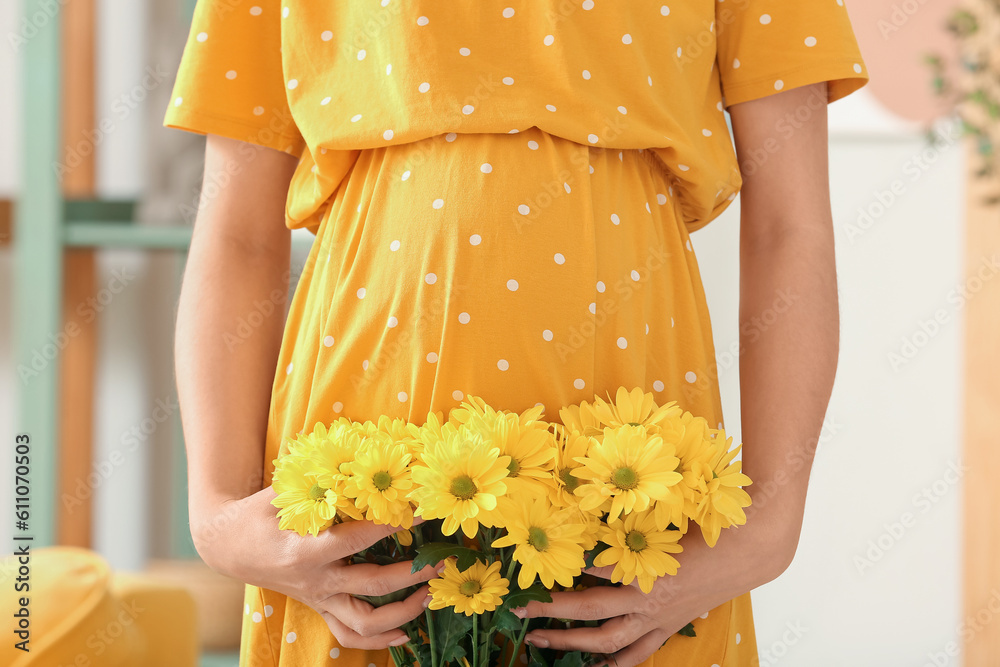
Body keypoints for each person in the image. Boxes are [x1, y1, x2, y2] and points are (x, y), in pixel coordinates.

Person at [164, 1, 869, 665]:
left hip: (641, 451)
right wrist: (217, 514)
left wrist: (771, 528)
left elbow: (789, 230)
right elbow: (237, 235)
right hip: (362, 445)